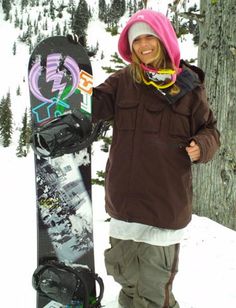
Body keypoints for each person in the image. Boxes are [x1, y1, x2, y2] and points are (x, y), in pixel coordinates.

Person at [92, 9, 220, 308]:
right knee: (124, 273)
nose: (144, 45)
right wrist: (73, 78)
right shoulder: (123, 81)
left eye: (150, 37)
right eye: (137, 40)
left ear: (164, 40)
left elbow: (210, 129)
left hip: (164, 202)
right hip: (125, 199)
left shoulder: (189, 88)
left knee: (153, 286)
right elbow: (93, 105)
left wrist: (202, 145)